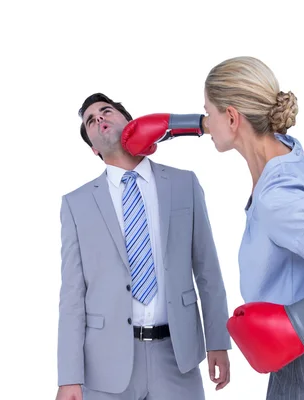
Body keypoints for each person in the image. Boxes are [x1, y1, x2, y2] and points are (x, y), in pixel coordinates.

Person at [121, 57, 304, 399]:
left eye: (208, 110)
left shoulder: (278, 198)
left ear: (233, 118)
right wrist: (181, 125)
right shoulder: (282, 150)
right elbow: (241, 125)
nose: (207, 119)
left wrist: (294, 328)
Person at [56, 93, 231, 400]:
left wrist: (218, 341)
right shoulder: (76, 204)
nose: (99, 119)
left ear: (129, 122)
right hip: (105, 364)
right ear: (94, 147)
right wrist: (69, 377)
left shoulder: (183, 184)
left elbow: (207, 270)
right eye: (90, 121)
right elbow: (72, 295)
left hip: (177, 357)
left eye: (106, 111)